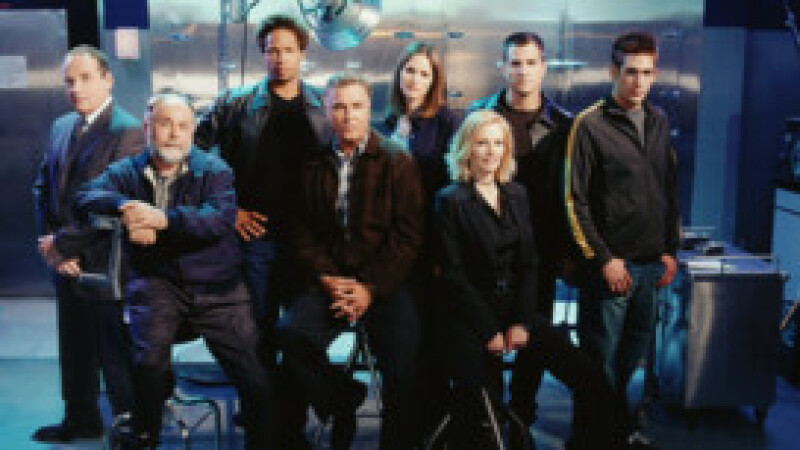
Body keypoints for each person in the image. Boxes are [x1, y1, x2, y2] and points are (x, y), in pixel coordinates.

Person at [76, 94, 275, 449]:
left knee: (254, 374)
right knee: (148, 363)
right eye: (165, 124)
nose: (173, 134)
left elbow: (217, 219)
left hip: (218, 287)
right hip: (158, 283)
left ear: (192, 131)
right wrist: (127, 209)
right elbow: (86, 196)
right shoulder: (128, 171)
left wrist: (162, 220)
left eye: (183, 126)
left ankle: (262, 442)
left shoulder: (215, 170)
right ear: (148, 127)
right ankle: (145, 435)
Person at [435, 110, 637, 450]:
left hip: (514, 311)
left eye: (498, 143)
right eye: (482, 143)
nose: (491, 151)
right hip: (469, 317)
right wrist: (488, 329)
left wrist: (521, 322)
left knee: (590, 376)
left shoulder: (517, 194)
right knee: (480, 405)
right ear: (466, 148)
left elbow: (530, 264)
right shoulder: (450, 200)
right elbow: (453, 276)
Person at [277, 74, 425, 450]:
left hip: (384, 284)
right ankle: (342, 398)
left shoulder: (397, 160)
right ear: (327, 111)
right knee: (291, 336)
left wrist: (369, 289)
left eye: (356, 106)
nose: (348, 115)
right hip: (329, 280)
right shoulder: (311, 162)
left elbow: (408, 238)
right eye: (339, 106)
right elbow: (300, 231)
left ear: (369, 108)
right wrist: (327, 278)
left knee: (404, 367)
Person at [565, 31, 679, 449]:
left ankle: (614, 431)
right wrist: (603, 259)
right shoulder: (589, 125)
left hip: (650, 265)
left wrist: (670, 249)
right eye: (631, 72)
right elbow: (573, 200)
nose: (639, 82)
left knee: (632, 357)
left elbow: (668, 188)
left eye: (647, 73)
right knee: (599, 360)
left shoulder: (659, 120)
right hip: (611, 267)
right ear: (614, 71)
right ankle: (591, 438)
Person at [195, 14, 328, 365]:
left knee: (301, 333)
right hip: (256, 236)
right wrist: (227, 210)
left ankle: (296, 398)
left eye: (288, 50)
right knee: (257, 330)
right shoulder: (234, 104)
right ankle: (262, 399)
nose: (280, 58)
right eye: (273, 51)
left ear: (302, 53)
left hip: (306, 239)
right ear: (263, 53)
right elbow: (190, 154)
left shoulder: (323, 106)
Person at [31, 45, 142, 443]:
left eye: (85, 78)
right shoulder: (62, 126)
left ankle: (130, 426)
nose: (76, 88)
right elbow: (43, 188)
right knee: (74, 343)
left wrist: (65, 245)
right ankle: (79, 418)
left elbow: (111, 206)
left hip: (104, 260)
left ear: (107, 80)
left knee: (112, 348)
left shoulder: (127, 131)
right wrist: (52, 247)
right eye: (69, 81)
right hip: (64, 257)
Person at [468, 32, 573, 442]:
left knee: (531, 336)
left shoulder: (563, 125)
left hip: (540, 254)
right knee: (487, 335)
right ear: (502, 67)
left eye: (531, 63)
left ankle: (522, 415)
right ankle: (489, 414)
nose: (523, 71)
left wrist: (567, 252)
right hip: (485, 249)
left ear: (543, 67)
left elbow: (570, 193)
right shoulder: (480, 116)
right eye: (515, 62)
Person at [376, 40, 458, 442]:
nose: (415, 79)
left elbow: (454, 196)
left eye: (424, 73)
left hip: (431, 252)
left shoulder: (448, 124)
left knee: (428, 352)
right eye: (409, 70)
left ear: (434, 81)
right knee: (399, 354)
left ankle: (429, 433)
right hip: (391, 254)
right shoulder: (385, 123)